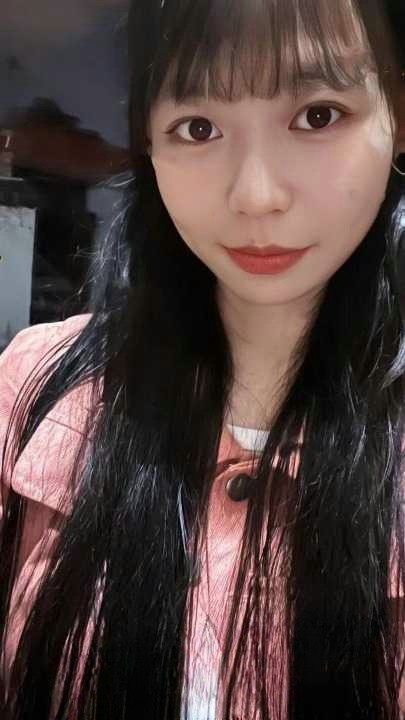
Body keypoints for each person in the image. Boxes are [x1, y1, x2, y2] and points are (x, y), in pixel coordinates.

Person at [1, 0, 405, 718]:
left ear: (395, 116)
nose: (256, 196)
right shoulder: (35, 384)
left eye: (317, 115)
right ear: (149, 143)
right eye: (198, 127)